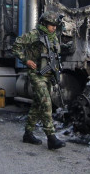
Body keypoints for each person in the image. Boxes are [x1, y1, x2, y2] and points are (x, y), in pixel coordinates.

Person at [12, 11, 66, 150]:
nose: (54, 27)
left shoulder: (54, 37)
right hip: (37, 74)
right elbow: (16, 45)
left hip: (48, 75)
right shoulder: (34, 35)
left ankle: (28, 134)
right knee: (46, 103)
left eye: (55, 25)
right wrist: (26, 60)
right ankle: (51, 137)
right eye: (51, 25)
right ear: (44, 23)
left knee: (37, 104)